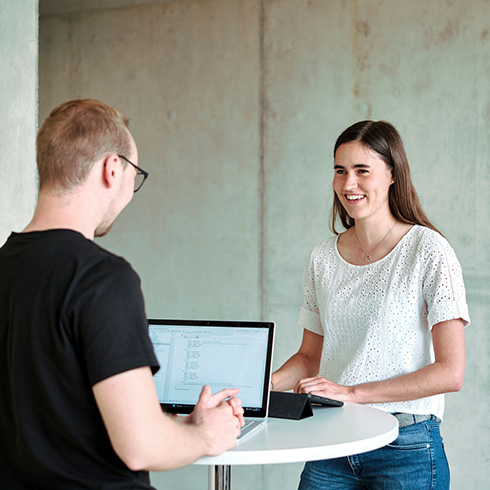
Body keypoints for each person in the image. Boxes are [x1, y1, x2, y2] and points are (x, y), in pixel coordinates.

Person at [0, 99, 244, 489]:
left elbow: (58, 418)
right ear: (113, 169)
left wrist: (177, 427)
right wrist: (206, 435)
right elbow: (139, 446)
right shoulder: (101, 278)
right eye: (135, 173)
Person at [271, 120, 469, 489]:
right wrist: (258, 387)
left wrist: (352, 392)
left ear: (393, 175)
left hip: (406, 447)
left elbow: (450, 372)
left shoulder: (429, 251)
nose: (348, 184)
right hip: (331, 441)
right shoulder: (322, 258)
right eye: (340, 171)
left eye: (363, 171)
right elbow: (309, 358)